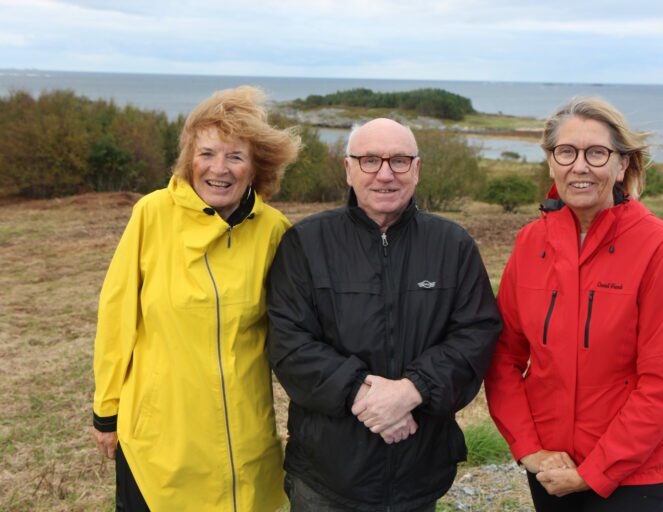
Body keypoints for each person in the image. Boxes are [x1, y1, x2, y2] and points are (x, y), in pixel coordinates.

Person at [266, 118, 501, 511]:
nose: (385, 174)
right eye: (370, 160)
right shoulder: (306, 243)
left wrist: (412, 390)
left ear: (417, 169)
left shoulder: (452, 245)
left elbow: (476, 335)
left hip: (419, 470)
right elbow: (288, 342)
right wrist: (364, 394)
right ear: (349, 169)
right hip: (326, 476)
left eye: (399, 161)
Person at [91, 86, 300, 511]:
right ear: (190, 158)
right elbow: (117, 317)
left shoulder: (274, 229)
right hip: (160, 441)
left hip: (243, 440)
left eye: (235, 156)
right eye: (207, 153)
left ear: (256, 166)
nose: (218, 169)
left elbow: (294, 331)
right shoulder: (151, 214)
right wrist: (106, 411)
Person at [485, 97, 663, 512]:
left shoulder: (660, 247)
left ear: (622, 164)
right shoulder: (530, 242)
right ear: (551, 162)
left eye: (596, 153)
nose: (579, 166)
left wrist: (595, 471)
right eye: (566, 152)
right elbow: (503, 356)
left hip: (632, 473)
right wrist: (529, 449)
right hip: (550, 465)